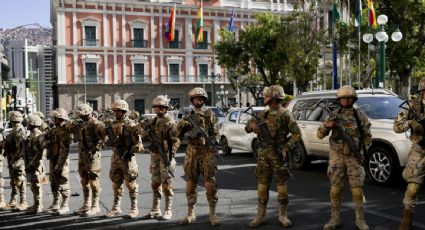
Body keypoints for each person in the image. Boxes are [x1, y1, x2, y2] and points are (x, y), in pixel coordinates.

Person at [245, 85, 301, 228]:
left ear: (274, 97)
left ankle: (283, 215)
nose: (264, 98)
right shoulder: (262, 114)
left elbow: (297, 134)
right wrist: (252, 126)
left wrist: (286, 147)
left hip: (278, 154)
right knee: (262, 186)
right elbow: (247, 128)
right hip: (263, 154)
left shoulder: (285, 114)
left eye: (266, 96)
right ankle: (260, 216)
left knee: (281, 186)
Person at [317, 86, 372, 230]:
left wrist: (362, 151)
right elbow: (320, 135)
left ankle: (360, 220)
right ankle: (335, 219)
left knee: (357, 190)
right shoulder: (333, 115)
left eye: (349, 98)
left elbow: (367, 137)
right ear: (339, 100)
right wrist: (327, 126)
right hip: (337, 156)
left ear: (354, 99)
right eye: (343, 98)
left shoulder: (359, 115)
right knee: (335, 189)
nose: (346, 100)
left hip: (354, 157)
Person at [177, 87, 220, 226]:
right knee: (191, 182)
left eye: (201, 98)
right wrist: (182, 125)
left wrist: (215, 143)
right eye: (196, 98)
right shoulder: (186, 115)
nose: (198, 100)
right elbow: (177, 134)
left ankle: (212, 214)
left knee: (210, 183)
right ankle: (190, 213)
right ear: (192, 100)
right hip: (192, 150)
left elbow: (216, 132)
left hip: (207, 150)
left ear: (204, 100)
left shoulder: (210, 114)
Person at [141, 95, 180, 220]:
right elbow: (143, 135)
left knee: (167, 184)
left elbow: (176, 140)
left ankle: (168, 210)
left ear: (166, 108)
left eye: (161, 108)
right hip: (155, 155)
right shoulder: (153, 121)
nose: (159, 110)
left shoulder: (170, 122)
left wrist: (170, 154)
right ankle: (155, 209)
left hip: (166, 156)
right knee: (155, 183)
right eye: (156, 108)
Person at [394, 77, 425, 230]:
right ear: (421, 92)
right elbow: (397, 127)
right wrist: (411, 123)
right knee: (412, 188)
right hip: (419, 151)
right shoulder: (412, 106)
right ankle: (406, 221)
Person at [105, 100, 143, 219]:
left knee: (131, 184)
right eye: (115, 111)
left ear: (123, 112)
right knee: (116, 183)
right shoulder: (111, 125)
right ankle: (116, 207)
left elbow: (139, 145)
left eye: (118, 111)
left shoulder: (131, 126)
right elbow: (107, 140)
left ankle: (134, 208)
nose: (116, 113)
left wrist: (131, 149)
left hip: (128, 158)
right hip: (116, 157)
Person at [74, 104, 105, 216]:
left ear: (88, 113)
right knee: (84, 179)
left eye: (82, 115)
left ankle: (95, 206)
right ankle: (86, 204)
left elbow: (104, 138)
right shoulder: (82, 123)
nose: (80, 117)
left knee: (93, 180)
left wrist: (94, 149)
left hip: (92, 155)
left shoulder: (96, 124)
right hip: (82, 154)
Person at [46, 108, 72, 215]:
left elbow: (65, 150)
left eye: (55, 118)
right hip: (53, 158)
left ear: (60, 118)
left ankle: (65, 205)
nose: (54, 120)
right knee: (54, 182)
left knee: (63, 182)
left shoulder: (65, 131)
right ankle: (56, 203)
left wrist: (60, 165)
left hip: (61, 160)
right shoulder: (53, 130)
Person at [3, 111, 28, 211]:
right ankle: (14, 200)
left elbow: (20, 147)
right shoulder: (14, 129)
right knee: (13, 181)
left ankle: (23, 201)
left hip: (17, 159)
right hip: (12, 158)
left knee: (20, 180)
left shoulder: (19, 130)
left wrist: (16, 159)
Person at [24, 115, 47, 214]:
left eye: (28, 122)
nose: (26, 124)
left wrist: (32, 164)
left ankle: (38, 207)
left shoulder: (38, 135)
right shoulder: (32, 134)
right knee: (33, 186)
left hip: (36, 165)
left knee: (37, 186)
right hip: (32, 164)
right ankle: (37, 204)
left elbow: (41, 152)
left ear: (33, 124)